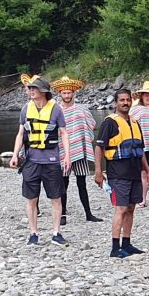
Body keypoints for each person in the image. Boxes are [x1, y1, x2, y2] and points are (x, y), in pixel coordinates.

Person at [9, 74, 71, 246]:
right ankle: (33, 234)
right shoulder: (25, 109)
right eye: (29, 88)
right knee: (31, 199)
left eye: (33, 88)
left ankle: (56, 233)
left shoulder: (56, 109)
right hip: (31, 161)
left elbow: (64, 133)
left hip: (51, 161)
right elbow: (21, 134)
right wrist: (15, 155)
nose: (30, 91)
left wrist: (67, 156)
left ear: (43, 91)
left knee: (56, 198)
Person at [95, 89, 149, 258]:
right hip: (117, 173)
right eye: (122, 100)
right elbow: (99, 147)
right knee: (121, 208)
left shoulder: (134, 122)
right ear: (115, 103)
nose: (125, 103)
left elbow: (139, 149)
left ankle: (127, 243)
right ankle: (114, 247)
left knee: (131, 208)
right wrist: (98, 171)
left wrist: (147, 170)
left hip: (134, 172)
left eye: (128, 100)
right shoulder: (110, 122)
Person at [52, 76, 101, 224]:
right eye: (64, 93)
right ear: (60, 93)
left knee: (82, 183)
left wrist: (84, 136)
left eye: (69, 93)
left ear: (73, 93)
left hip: (79, 150)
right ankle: (62, 215)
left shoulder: (82, 109)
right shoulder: (55, 110)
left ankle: (88, 213)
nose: (67, 95)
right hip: (63, 151)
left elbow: (90, 124)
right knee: (63, 183)